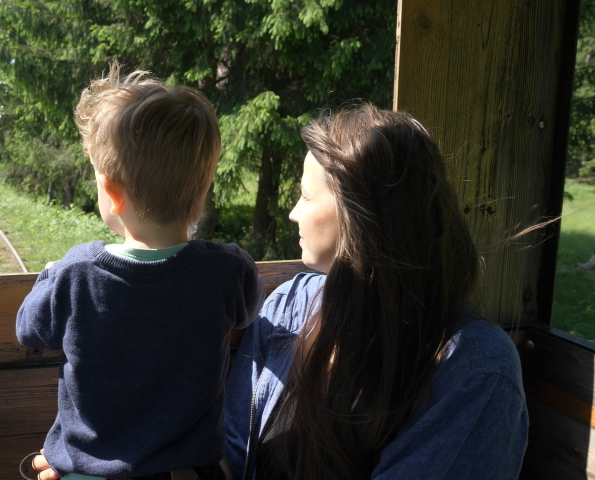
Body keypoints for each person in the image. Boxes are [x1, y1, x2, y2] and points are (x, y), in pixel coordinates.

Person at [223, 104, 528, 479]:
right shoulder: (289, 306)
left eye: (305, 195)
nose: (293, 213)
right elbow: (234, 450)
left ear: (357, 214)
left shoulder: (475, 371)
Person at [16, 62, 265, 480]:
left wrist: (48, 275)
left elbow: (29, 329)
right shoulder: (226, 271)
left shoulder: (76, 273)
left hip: (90, 471)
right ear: (202, 191)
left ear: (111, 192)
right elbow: (248, 310)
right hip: (190, 471)